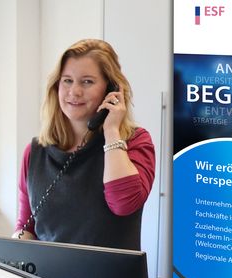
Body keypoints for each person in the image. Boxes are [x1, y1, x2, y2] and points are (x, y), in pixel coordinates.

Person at [12, 39, 155, 250]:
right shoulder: (35, 152)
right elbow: (26, 227)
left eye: (87, 82)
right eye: (67, 81)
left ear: (112, 89)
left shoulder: (135, 141)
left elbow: (124, 205)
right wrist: (11, 252)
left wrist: (111, 131)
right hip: (50, 272)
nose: (74, 91)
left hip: (108, 272)